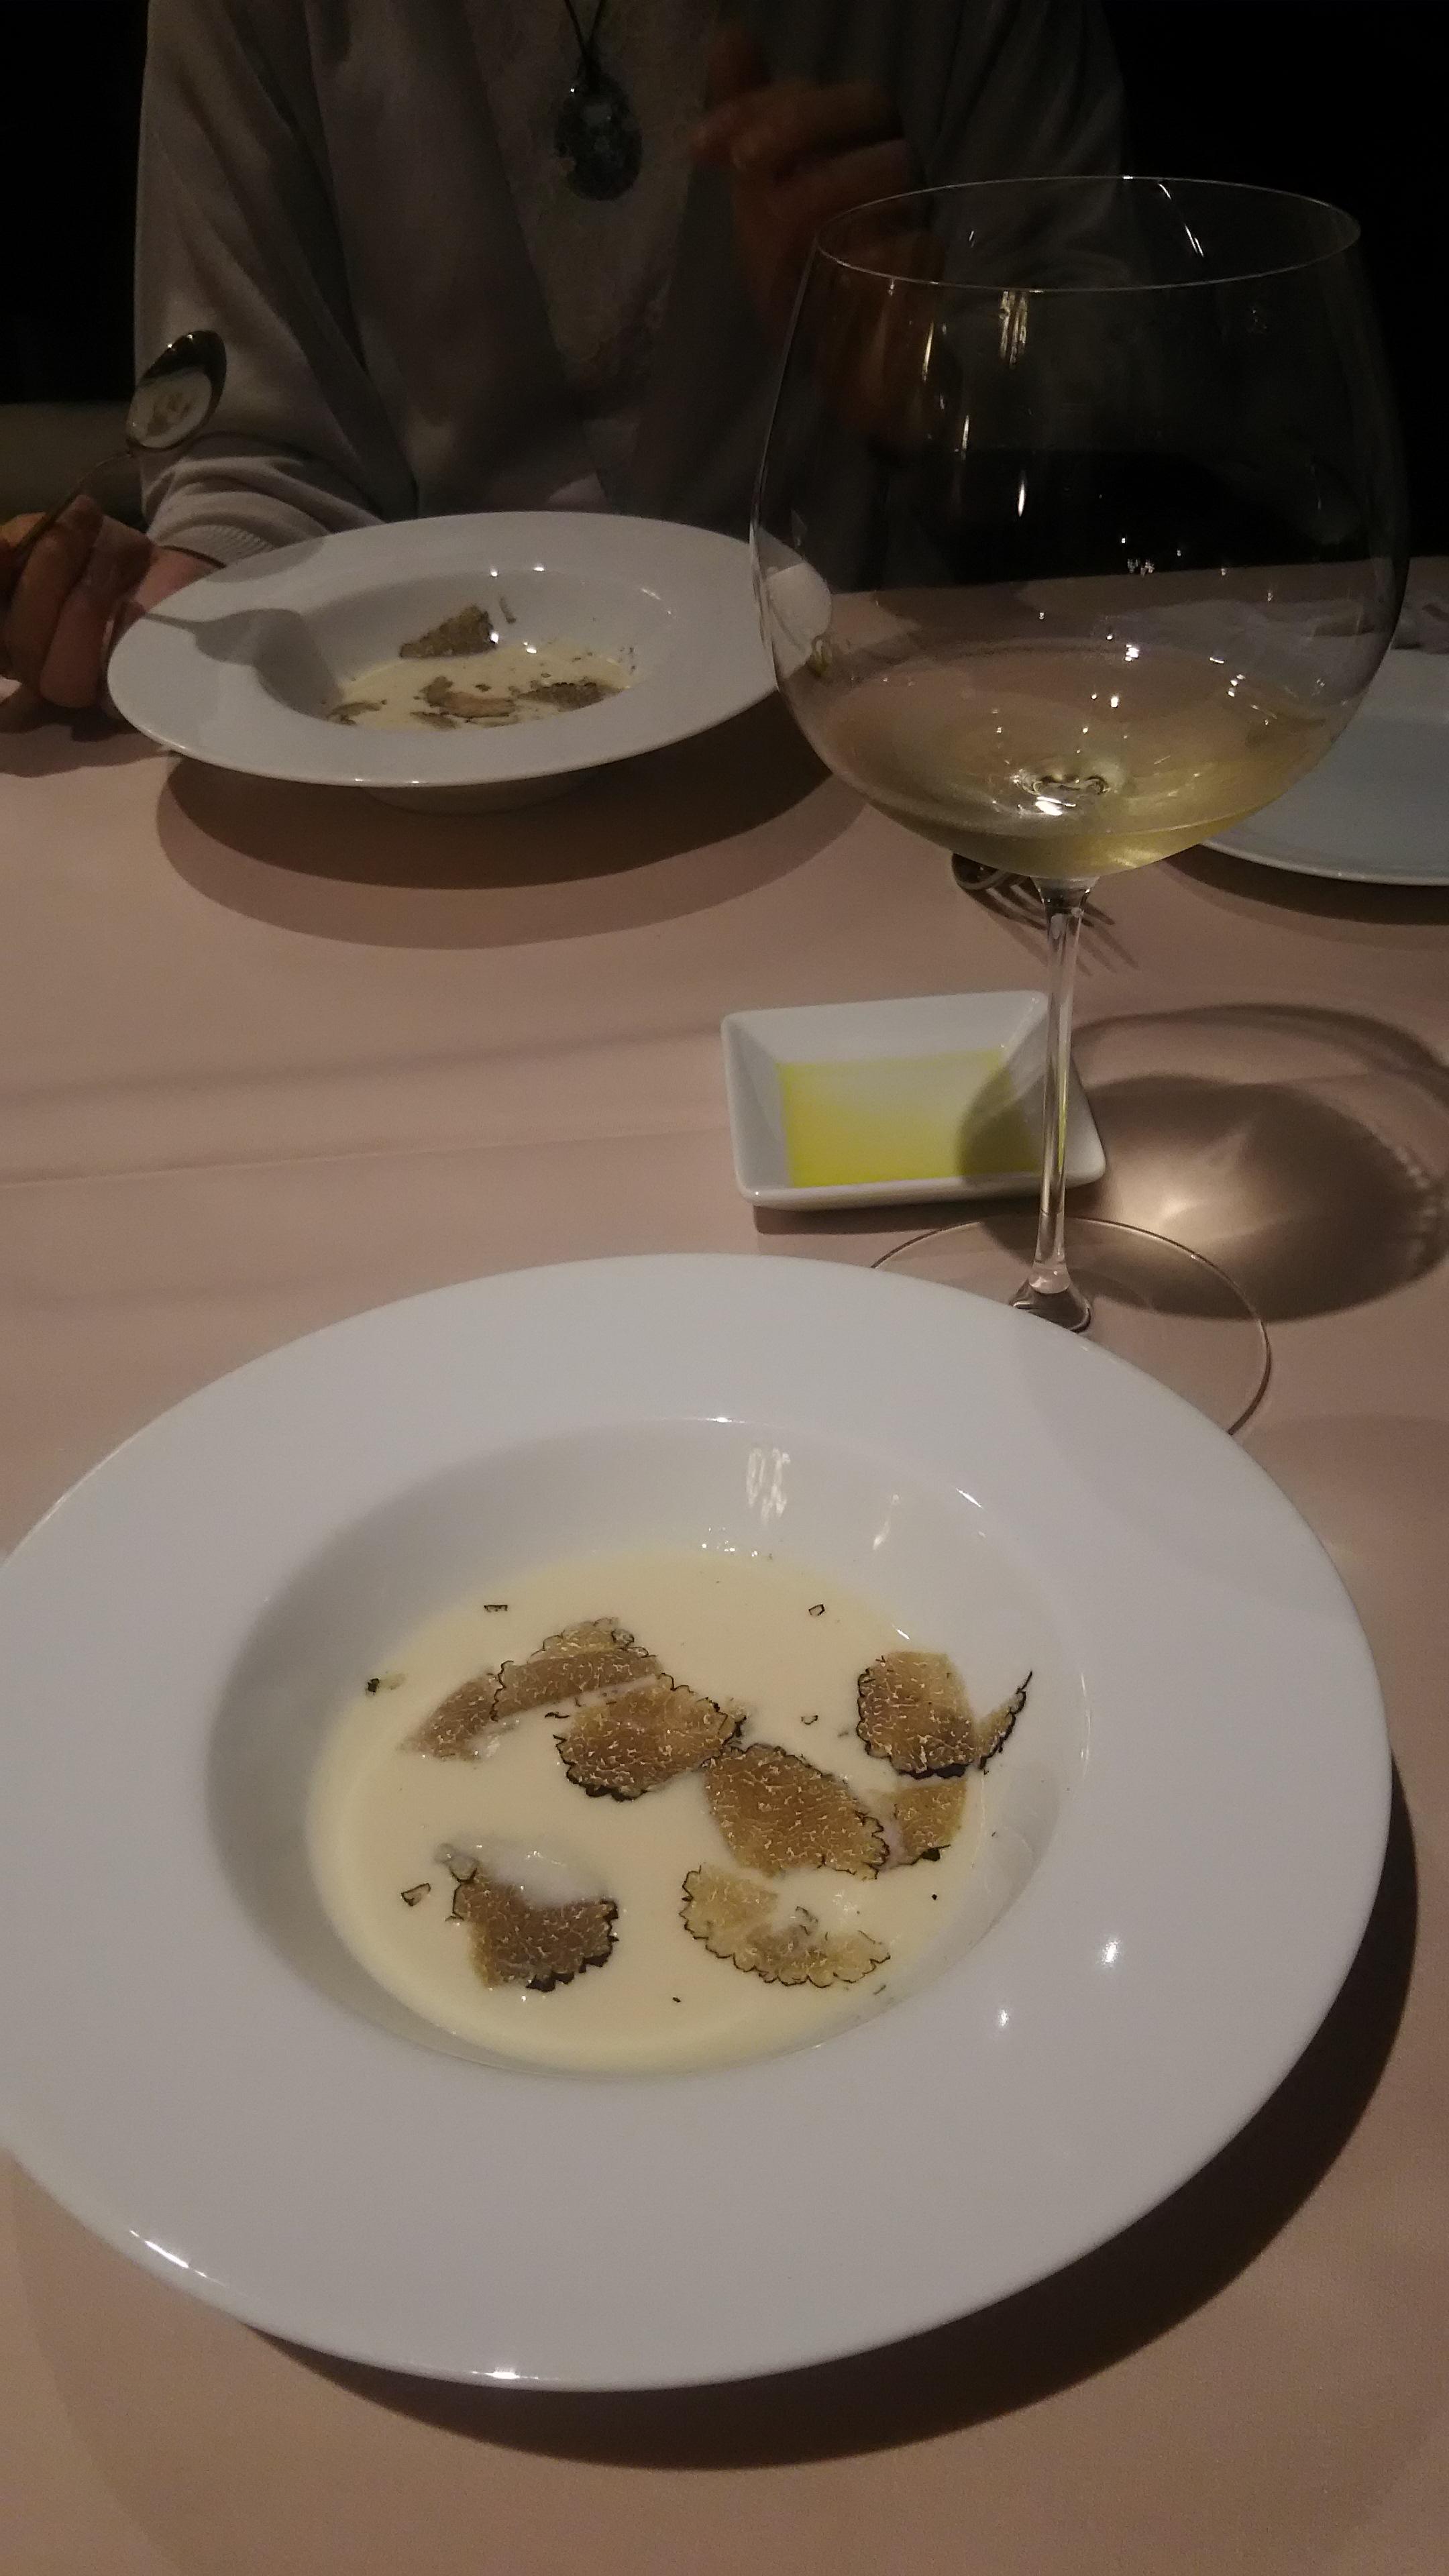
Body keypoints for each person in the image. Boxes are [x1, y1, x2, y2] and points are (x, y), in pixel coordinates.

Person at [0, 1, 1120, 712]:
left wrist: (944, 398)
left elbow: (1114, 407)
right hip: (408, 769)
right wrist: (178, 597)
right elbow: (258, 460)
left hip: (864, 724)